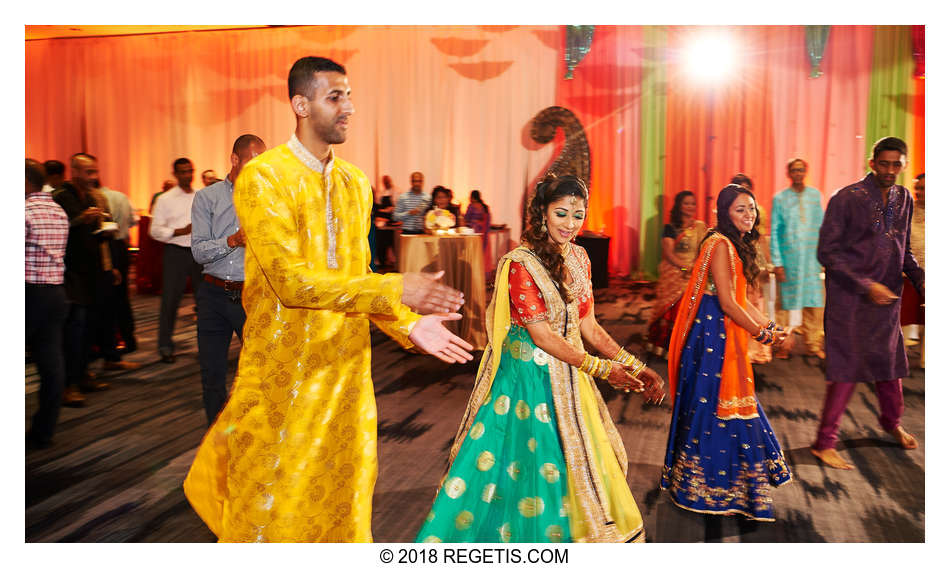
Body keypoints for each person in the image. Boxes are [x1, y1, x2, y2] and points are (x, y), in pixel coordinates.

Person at [184, 56, 474, 543]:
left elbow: (357, 276)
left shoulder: (354, 182)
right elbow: (291, 283)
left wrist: (406, 324)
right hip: (283, 374)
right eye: (335, 97)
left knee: (345, 495)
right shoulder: (264, 178)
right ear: (300, 104)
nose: (349, 108)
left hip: (346, 374)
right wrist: (395, 287)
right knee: (271, 505)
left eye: (350, 96)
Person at [416, 174, 665, 544]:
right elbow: (542, 335)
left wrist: (634, 364)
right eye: (561, 213)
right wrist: (600, 369)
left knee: (575, 464)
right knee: (529, 466)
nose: (570, 224)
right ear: (542, 213)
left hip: (570, 372)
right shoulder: (521, 263)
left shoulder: (580, 256)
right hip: (527, 382)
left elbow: (589, 326)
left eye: (578, 215)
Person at [661, 184, 792, 521]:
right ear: (725, 213)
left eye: (751, 208)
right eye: (740, 210)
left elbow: (741, 298)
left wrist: (768, 325)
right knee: (712, 406)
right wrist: (763, 334)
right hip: (710, 338)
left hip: (723, 332)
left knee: (731, 404)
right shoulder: (720, 244)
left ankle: (732, 485)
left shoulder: (735, 243)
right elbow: (727, 302)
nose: (749, 215)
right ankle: (703, 487)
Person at [811, 137, 924, 470]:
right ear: (872, 162)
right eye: (884, 163)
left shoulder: (904, 199)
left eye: (896, 164)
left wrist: (921, 279)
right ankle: (824, 442)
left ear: (904, 164)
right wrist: (865, 285)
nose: (890, 171)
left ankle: (891, 423)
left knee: (891, 367)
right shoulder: (847, 198)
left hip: (886, 299)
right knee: (847, 370)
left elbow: (903, 250)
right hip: (850, 301)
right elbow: (827, 252)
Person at [190, 134, 265, 425]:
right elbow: (198, 251)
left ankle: (257, 436)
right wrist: (232, 241)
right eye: (253, 161)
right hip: (213, 296)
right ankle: (216, 441)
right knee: (212, 375)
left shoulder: (269, 198)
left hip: (253, 296)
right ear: (234, 160)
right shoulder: (207, 197)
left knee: (261, 371)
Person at [52, 153, 115, 407]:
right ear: (74, 171)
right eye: (88, 172)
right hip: (70, 274)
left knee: (90, 325)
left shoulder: (90, 196)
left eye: (95, 172)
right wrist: (82, 219)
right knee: (74, 330)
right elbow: (59, 228)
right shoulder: (61, 196)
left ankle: (83, 374)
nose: (93, 177)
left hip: (92, 271)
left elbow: (93, 234)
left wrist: (105, 231)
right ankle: (68, 385)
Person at [26, 159, 69, 448]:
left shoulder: (23, 211)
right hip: (55, 293)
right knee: (51, 362)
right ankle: (44, 431)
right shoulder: (58, 211)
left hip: (28, 293)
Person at [770, 158, 825, 359]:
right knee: (784, 304)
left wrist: (824, 257)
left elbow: (822, 227)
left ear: (806, 171)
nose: (798, 173)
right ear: (789, 173)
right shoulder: (780, 199)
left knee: (814, 304)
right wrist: (777, 262)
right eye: (794, 170)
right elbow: (775, 230)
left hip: (811, 260)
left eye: (801, 170)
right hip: (789, 259)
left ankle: (813, 344)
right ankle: (781, 345)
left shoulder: (814, 196)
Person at [150, 157, 203, 364]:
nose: (187, 175)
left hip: (200, 252)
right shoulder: (165, 199)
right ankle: (165, 346)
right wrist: (179, 231)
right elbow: (154, 231)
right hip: (176, 253)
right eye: (182, 172)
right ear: (175, 174)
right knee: (170, 301)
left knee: (205, 302)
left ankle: (206, 345)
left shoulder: (201, 195)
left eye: (189, 171)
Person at [646, 190, 706, 357]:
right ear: (679, 206)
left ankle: (689, 348)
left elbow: (705, 250)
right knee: (673, 310)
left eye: (693, 203)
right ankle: (668, 348)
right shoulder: (670, 228)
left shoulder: (700, 227)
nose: (690, 207)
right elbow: (670, 255)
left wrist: (696, 268)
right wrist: (686, 269)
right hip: (674, 273)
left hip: (694, 272)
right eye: (686, 203)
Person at [100, 185, 139, 354]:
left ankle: (111, 343)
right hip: (121, 247)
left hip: (106, 248)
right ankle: (128, 338)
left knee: (107, 299)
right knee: (122, 297)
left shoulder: (95, 199)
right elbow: (133, 220)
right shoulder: (121, 196)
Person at [900, 173, 924, 369]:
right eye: (918, 188)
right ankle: (899, 357)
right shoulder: (908, 210)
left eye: (924, 189)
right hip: (910, 274)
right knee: (904, 317)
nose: (920, 193)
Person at [463, 189, 492, 255]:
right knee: (480, 250)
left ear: (472, 197)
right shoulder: (484, 206)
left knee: (473, 250)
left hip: (473, 230)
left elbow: (467, 218)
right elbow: (488, 219)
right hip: (483, 231)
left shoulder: (471, 206)